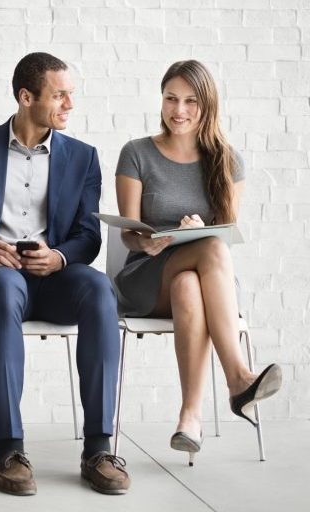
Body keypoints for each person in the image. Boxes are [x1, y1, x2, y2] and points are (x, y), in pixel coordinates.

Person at [0, 52, 129, 496]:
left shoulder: (83, 157)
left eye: (70, 95)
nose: (69, 105)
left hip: (54, 278)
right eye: (59, 95)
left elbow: (88, 234)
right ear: (26, 97)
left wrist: (59, 257)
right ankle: (8, 448)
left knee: (100, 288)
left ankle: (99, 448)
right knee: (6, 288)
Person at [114, 60, 282, 465]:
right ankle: (239, 378)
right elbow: (127, 233)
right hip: (147, 276)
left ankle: (190, 418)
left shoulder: (227, 160)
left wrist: (201, 227)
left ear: (207, 105)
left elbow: (227, 234)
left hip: (205, 282)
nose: (179, 110)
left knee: (192, 280)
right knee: (208, 252)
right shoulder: (137, 153)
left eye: (190, 101)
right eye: (171, 98)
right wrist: (149, 242)